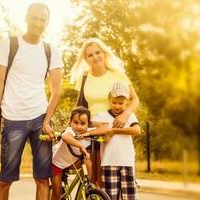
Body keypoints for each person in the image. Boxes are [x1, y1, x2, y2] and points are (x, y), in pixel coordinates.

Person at [0, 3, 63, 200]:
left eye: (42, 19)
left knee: (42, 179)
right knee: (5, 179)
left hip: (39, 118)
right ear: (26, 18)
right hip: (13, 119)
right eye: (34, 18)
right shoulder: (9, 44)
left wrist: (47, 121)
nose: (38, 23)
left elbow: (56, 90)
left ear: (47, 23)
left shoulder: (50, 50)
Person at [70, 38, 140, 185]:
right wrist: (73, 125)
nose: (95, 57)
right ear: (86, 59)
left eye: (98, 52)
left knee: (112, 178)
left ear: (104, 53)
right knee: (93, 176)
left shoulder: (117, 74)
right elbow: (80, 105)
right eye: (90, 55)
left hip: (113, 126)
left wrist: (124, 115)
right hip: (92, 128)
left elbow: (135, 99)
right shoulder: (84, 77)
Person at [79, 82, 142, 200]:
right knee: (109, 197)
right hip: (109, 162)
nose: (117, 106)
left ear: (127, 102)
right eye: (114, 102)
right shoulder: (101, 116)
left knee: (129, 197)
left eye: (121, 103)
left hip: (127, 162)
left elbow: (137, 130)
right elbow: (93, 130)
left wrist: (113, 131)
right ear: (109, 99)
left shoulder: (129, 116)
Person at [50, 107, 92, 200]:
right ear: (70, 122)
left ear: (88, 124)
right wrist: (80, 146)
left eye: (83, 123)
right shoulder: (70, 131)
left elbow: (105, 128)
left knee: (88, 162)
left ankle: (88, 185)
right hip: (56, 163)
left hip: (71, 162)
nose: (79, 126)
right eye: (76, 122)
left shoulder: (89, 132)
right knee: (57, 192)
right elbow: (65, 137)